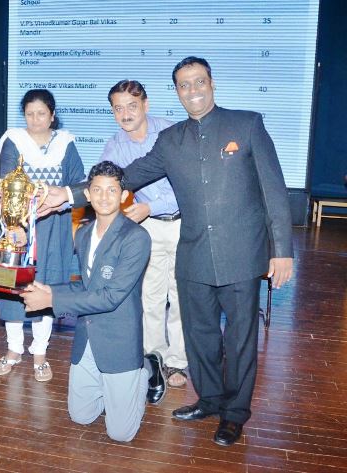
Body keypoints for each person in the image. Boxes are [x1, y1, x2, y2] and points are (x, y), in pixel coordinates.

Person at [38, 57, 294, 447]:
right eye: (184, 85)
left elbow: (274, 191)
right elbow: (129, 176)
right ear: (177, 92)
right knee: (199, 334)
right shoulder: (171, 140)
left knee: (240, 339)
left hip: (242, 254)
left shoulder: (247, 124)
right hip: (192, 254)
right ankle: (208, 399)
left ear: (211, 83)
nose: (193, 90)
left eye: (199, 82)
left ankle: (235, 413)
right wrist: (69, 195)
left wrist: (283, 251)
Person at [21, 161, 163, 442]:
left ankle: (146, 369)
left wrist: (51, 299)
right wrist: (48, 288)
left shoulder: (137, 237)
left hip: (119, 337)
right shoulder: (83, 233)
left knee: (121, 434)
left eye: (112, 190)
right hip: (88, 335)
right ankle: (109, 383)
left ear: (124, 196)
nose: (104, 196)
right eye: (97, 189)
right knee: (81, 416)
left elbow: (110, 296)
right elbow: (86, 286)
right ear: (87, 194)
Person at [0, 89, 84, 382]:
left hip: (54, 228)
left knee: (46, 286)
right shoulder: (13, 141)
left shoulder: (66, 143)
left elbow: (79, 185)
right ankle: (14, 349)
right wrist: (15, 225)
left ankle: (40, 351)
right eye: (30, 114)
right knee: (14, 289)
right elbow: (7, 187)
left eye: (41, 113)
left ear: (52, 115)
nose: (35, 119)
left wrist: (57, 199)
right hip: (18, 229)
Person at [100, 80, 188, 390]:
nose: (125, 114)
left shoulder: (172, 133)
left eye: (131, 106)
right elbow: (109, 185)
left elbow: (188, 185)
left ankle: (179, 362)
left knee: (180, 296)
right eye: (118, 108)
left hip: (183, 224)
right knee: (150, 296)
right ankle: (156, 359)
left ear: (146, 105)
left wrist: (149, 205)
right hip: (146, 228)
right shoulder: (114, 145)